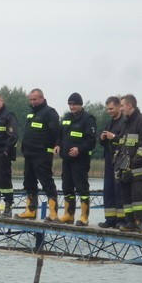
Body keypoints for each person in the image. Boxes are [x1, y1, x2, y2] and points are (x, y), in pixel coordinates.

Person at [15, 88, 60, 221]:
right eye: (31, 99)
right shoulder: (31, 113)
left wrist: (57, 145)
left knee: (46, 182)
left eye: (35, 99)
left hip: (42, 154)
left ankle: (53, 214)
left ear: (42, 98)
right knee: (29, 182)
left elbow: (56, 133)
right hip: (29, 153)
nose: (33, 102)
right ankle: (31, 210)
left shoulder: (50, 113)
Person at [54, 93, 97, 226]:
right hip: (66, 159)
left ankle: (84, 217)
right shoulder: (66, 117)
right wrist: (57, 145)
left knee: (81, 187)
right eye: (70, 104)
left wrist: (79, 149)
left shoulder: (88, 118)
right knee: (66, 186)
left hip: (81, 160)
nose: (72, 107)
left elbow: (91, 141)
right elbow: (60, 134)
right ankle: (68, 214)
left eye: (74, 104)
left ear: (80, 104)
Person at [115, 94, 142, 234]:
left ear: (129, 106)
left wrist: (132, 163)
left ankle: (140, 223)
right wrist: (117, 163)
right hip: (124, 169)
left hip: (138, 169)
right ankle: (130, 222)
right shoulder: (125, 122)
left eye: (122, 105)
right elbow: (120, 144)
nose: (121, 108)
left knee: (138, 197)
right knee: (126, 198)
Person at [98, 96, 126, 228]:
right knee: (108, 189)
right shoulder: (109, 123)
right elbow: (103, 143)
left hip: (120, 160)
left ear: (119, 106)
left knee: (119, 190)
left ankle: (121, 220)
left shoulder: (125, 122)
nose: (109, 111)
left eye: (111, 108)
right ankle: (110, 219)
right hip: (109, 159)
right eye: (107, 109)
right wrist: (102, 138)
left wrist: (113, 137)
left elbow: (126, 142)